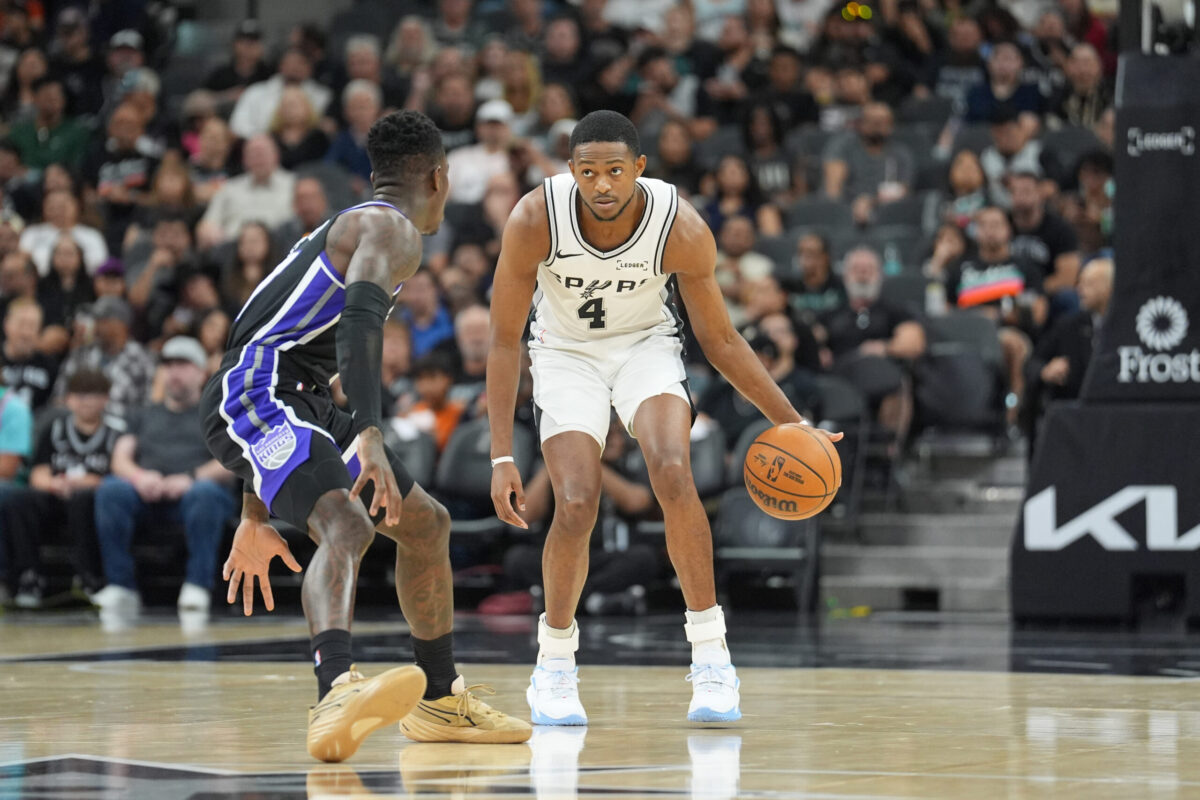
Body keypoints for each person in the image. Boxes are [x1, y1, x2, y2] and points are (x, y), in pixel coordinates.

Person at [486, 110, 842, 726]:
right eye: (589, 171)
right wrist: (500, 456)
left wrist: (792, 422)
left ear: (639, 170)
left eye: (615, 171)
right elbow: (501, 339)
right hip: (564, 353)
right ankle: (554, 665)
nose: (602, 185)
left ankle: (712, 658)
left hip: (646, 346)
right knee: (574, 501)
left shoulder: (679, 227)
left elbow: (722, 340)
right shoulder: (533, 219)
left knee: (673, 471)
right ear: (570, 171)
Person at [198, 110, 529, 762]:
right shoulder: (392, 229)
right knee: (348, 524)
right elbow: (357, 326)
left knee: (425, 524)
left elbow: (268, 341)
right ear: (438, 178)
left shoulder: (355, 224)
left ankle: (439, 700)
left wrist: (254, 507)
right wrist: (372, 432)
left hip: (292, 399)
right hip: (260, 393)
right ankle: (334, 689)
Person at [0, 369, 122, 606]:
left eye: (92, 395)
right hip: (55, 494)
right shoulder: (54, 429)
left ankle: (88, 577)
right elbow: (37, 472)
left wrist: (82, 482)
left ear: (105, 399)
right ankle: (29, 576)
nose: (85, 401)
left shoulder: (115, 432)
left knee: (83, 499)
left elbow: (116, 474)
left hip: (91, 499)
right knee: (19, 499)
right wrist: (55, 483)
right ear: (68, 399)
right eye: (79, 395)